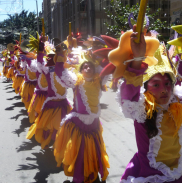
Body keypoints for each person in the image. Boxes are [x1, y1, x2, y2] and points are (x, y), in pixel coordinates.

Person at [117, 25, 182, 183]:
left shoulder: (177, 103)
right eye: (156, 84)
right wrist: (138, 59)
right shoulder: (142, 109)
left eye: (167, 83)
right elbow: (129, 93)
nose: (164, 89)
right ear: (146, 88)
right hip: (150, 175)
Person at [53, 42, 110, 183]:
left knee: (94, 151)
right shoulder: (76, 81)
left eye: (90, 65)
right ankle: (80, 175)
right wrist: (60, 55)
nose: (87, 67)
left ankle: (92, 172)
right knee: (80, 152)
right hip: (79, 123)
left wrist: (99, 51)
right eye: (84, 66)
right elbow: (61, 72)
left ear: (94, 68)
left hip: (94, 123)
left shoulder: (99, 80)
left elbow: (107, 65)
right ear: (81, 70)